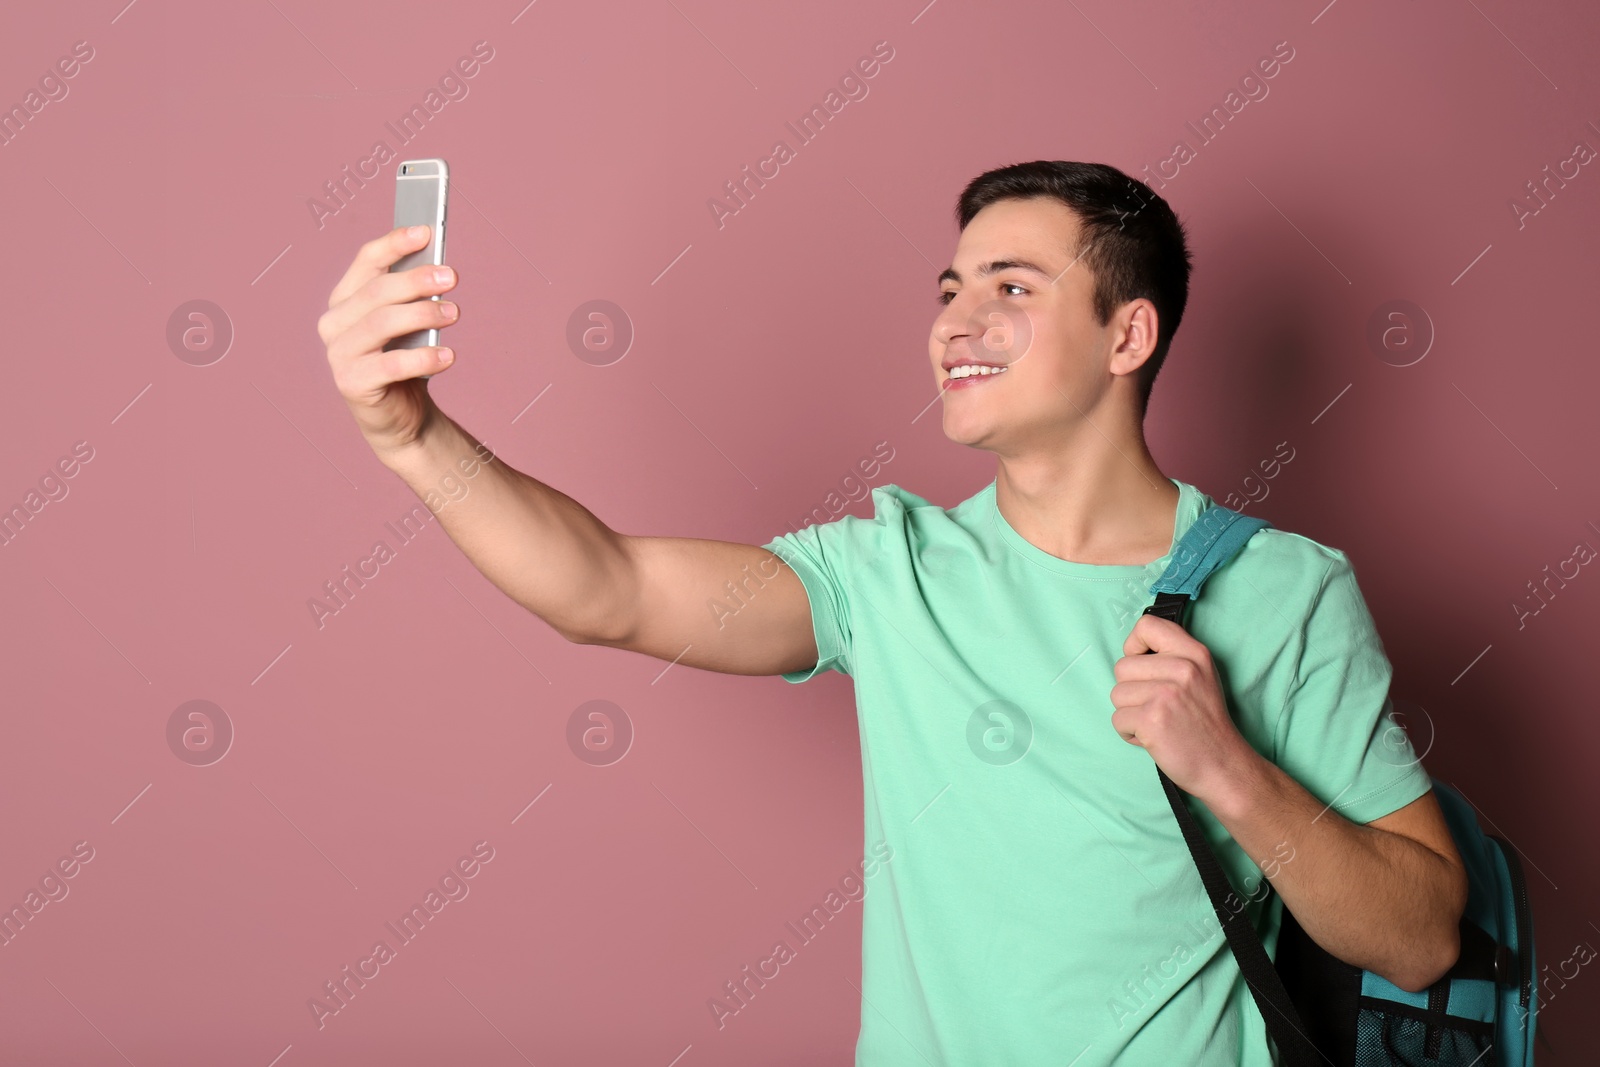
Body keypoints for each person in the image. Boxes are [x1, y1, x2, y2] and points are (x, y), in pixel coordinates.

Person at [319, 159, 1468, 1065]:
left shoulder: (1283, 589)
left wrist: (1230, 770)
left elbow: (1420, 937)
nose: (956, 321)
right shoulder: (890, 571)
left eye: (1011, 287)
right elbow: (605, 589)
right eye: (949, 290)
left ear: (1129, 335)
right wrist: (410, 437)